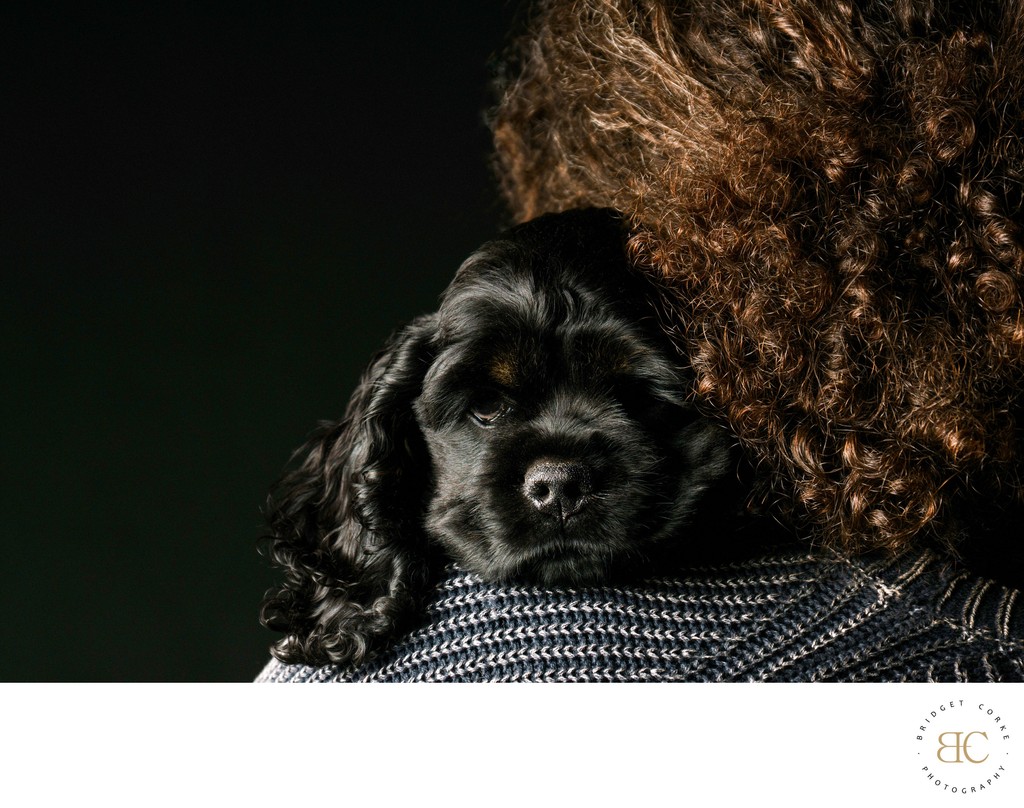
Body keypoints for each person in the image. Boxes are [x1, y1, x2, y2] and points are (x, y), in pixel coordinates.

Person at [258, 0, 1024, 682]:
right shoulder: (963, 663)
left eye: (640, 394)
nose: (552, 475)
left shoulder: (314, 690)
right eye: (487, 408)